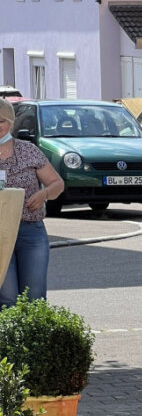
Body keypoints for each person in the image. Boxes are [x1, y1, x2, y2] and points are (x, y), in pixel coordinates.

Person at [0, 99, 64, 307]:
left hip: (31, 231)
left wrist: (44, 194)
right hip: (0, 233)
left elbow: (57, 183)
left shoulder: (28, 150)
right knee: (6, 298)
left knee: (34, 297)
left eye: (0, 121)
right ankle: (9, 340)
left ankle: (33, 339)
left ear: (10, 122)